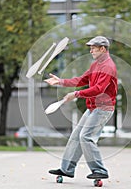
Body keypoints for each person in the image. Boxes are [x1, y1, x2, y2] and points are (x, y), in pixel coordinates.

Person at [45, 36, 117, 179]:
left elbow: (98, 89)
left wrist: (76, 94)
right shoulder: (96, 65)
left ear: (102, 49)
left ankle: (100, 170)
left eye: (93, 48)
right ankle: (67, 169)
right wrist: (60, 82)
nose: (90, 51)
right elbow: (82, 80)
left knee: (86, 137)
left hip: (103, 108)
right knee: (76, 136)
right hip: (92, 107)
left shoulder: (108, 66)